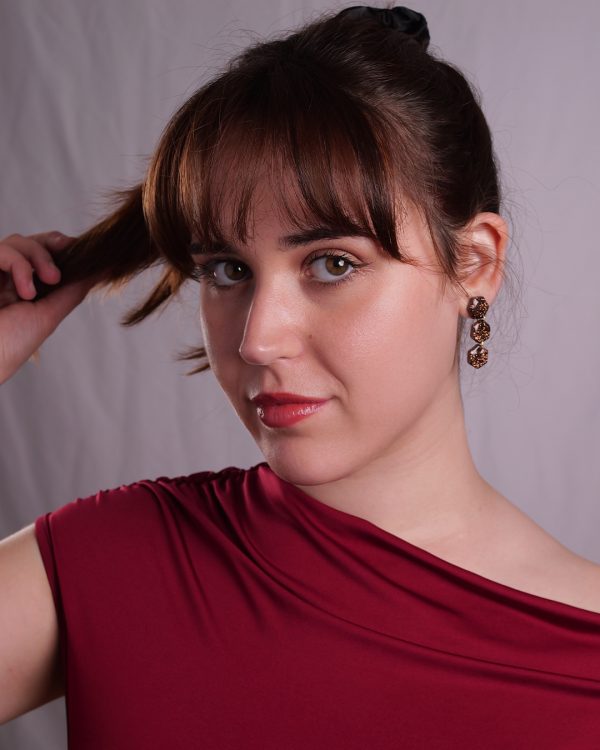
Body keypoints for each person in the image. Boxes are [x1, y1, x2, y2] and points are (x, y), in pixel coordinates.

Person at [1, 4, 600, 747]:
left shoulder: (585, 661)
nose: (257, 339)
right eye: (228, 270)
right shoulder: (114, 561)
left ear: (474, 264)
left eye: (332, 264)